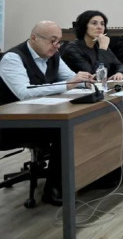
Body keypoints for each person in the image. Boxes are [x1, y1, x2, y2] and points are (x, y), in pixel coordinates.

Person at [0, 21, 95, 206]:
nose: (57, 46)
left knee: (82, 123)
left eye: (59, 41)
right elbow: (24, 92)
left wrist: (86, 80)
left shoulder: (53, 55)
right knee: (67, 131)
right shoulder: (13, 58)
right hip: (12, 125)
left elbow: (69, 78)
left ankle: (86, 177)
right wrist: (68, 84)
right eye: (52, 41)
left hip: (43, 116)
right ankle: (53, 189)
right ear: (34, 38)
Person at [61, 10, 123, 80]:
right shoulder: (72, 49)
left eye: (102, 24)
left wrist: (119, 73)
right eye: (94, 23)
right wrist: (102, 49)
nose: (99, 27)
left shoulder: (98, 45)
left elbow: (120, 65)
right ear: (84, 26)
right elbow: (93, 75)